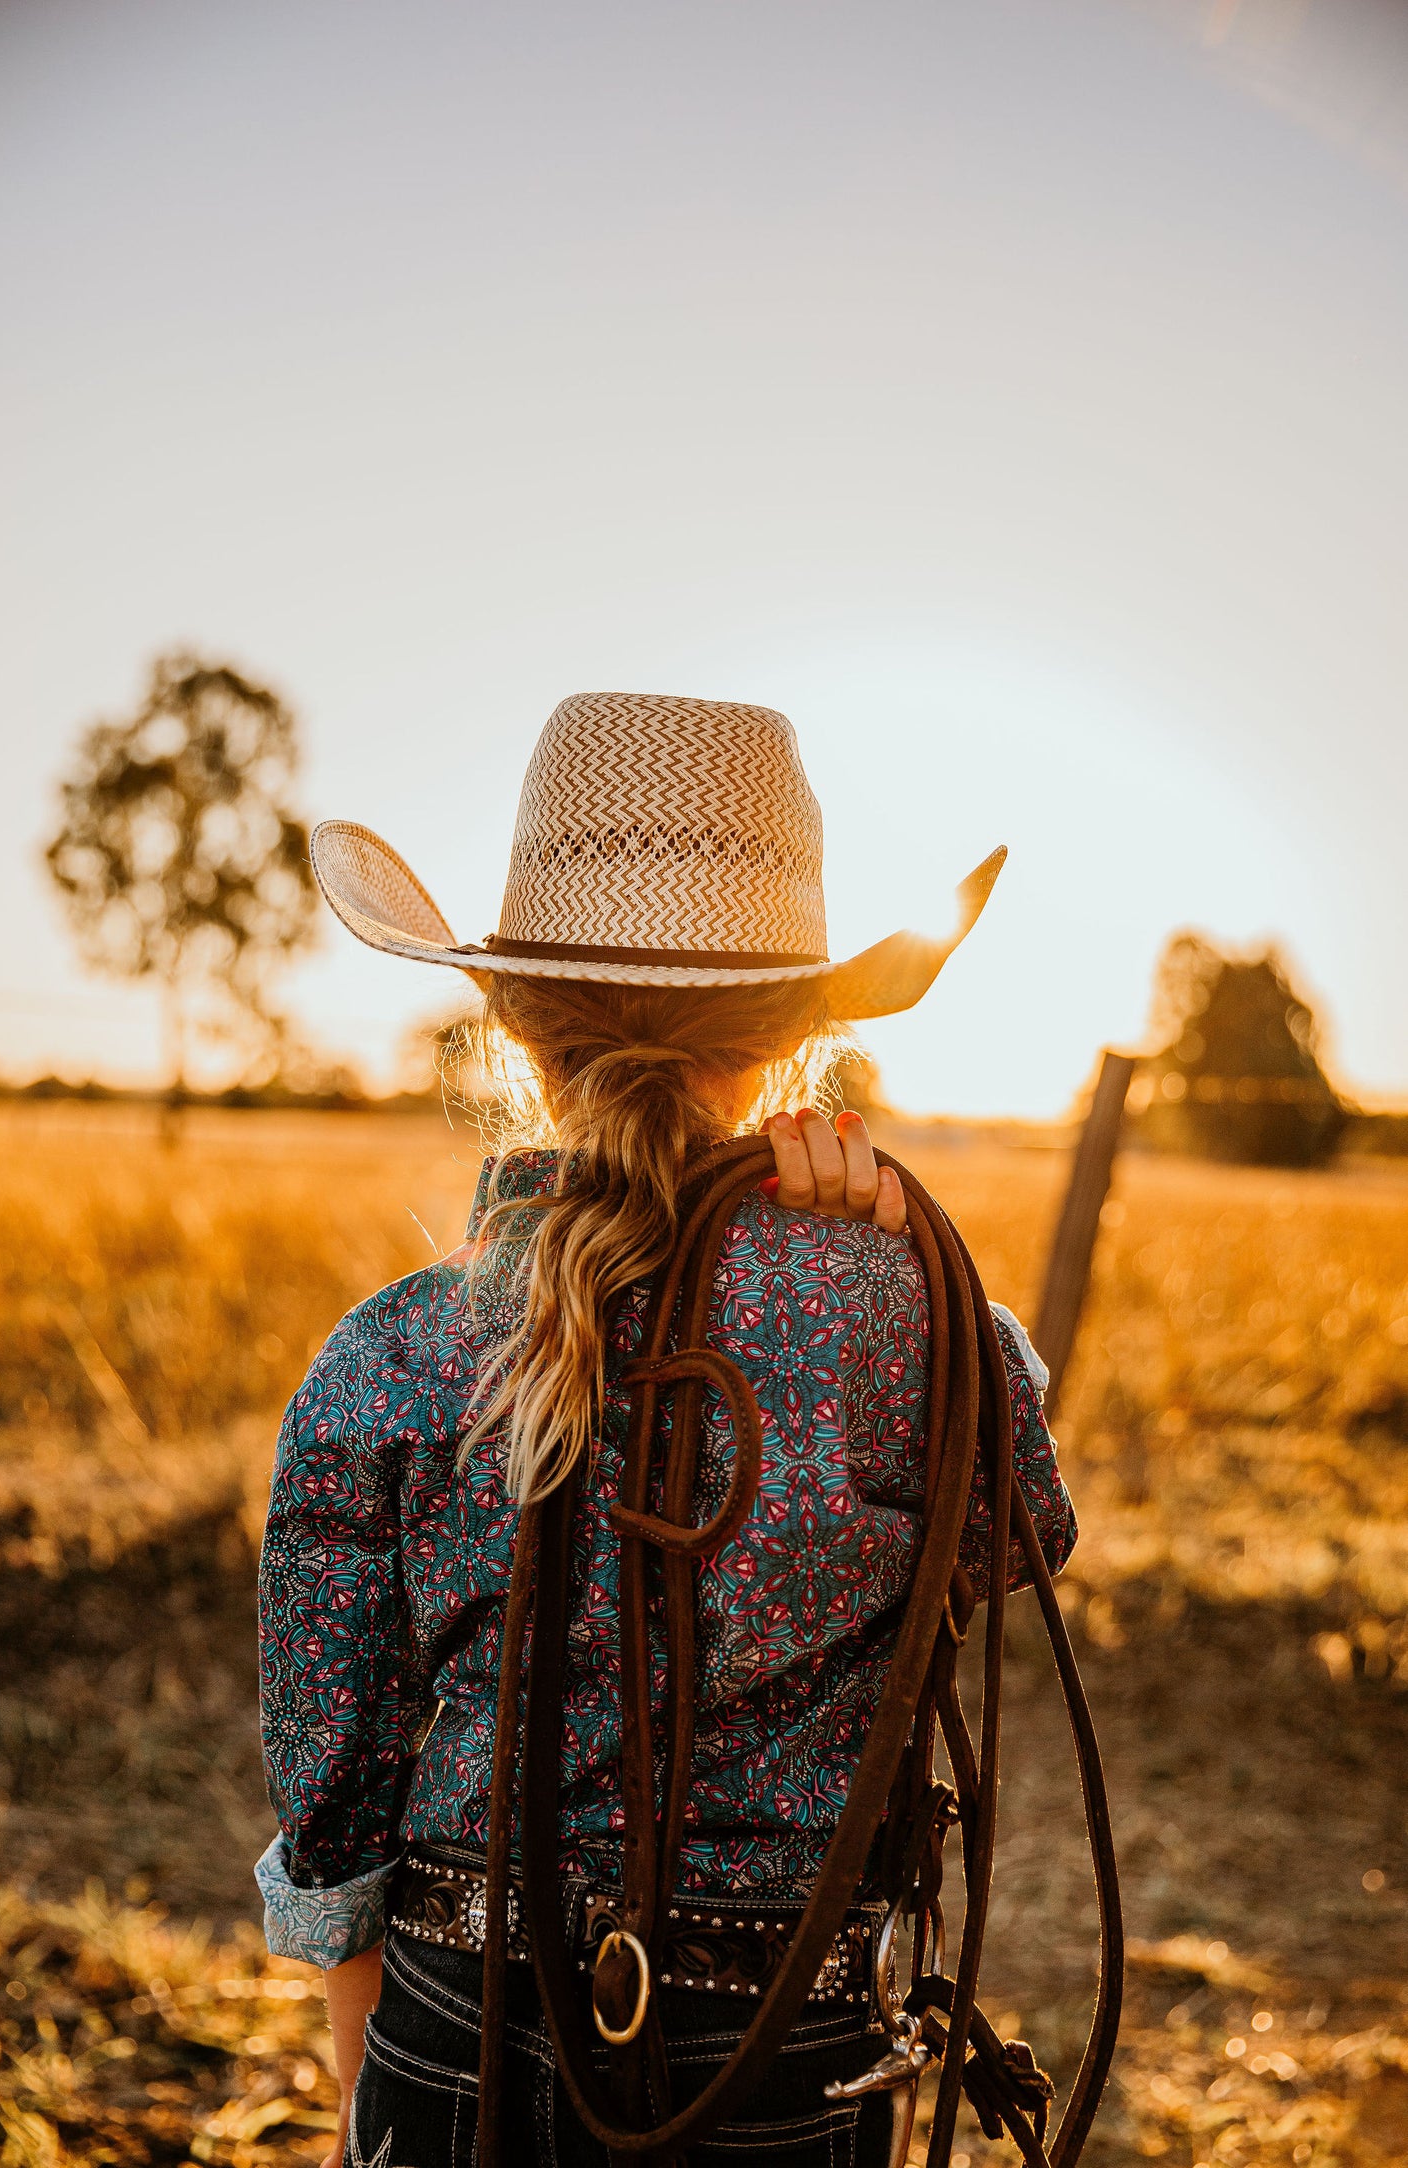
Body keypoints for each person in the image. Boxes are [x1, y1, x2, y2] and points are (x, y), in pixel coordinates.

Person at [256, 693, 1077, 2168]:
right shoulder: (914, 1322)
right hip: (786, 2025)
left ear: (507, 1016)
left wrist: (364, 2067)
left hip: (459, 2004)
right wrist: (894, 1255)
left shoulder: (396, 1347)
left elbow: (336, 1775)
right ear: (794, 1037)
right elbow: (1024, 1525)